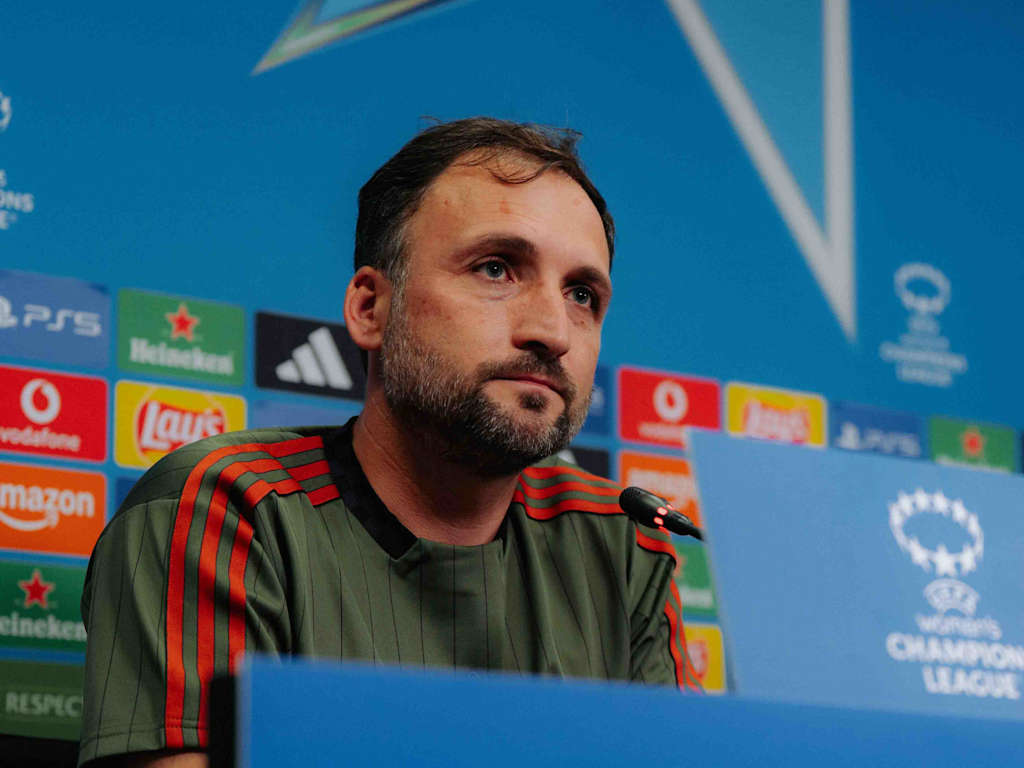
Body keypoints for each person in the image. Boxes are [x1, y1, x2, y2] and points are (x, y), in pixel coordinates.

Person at [78, 117, 699, 767]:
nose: (553, 331)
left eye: (582, 294)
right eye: (496, 268)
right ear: (371, 309)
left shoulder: (624, 547)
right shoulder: (227, 512)